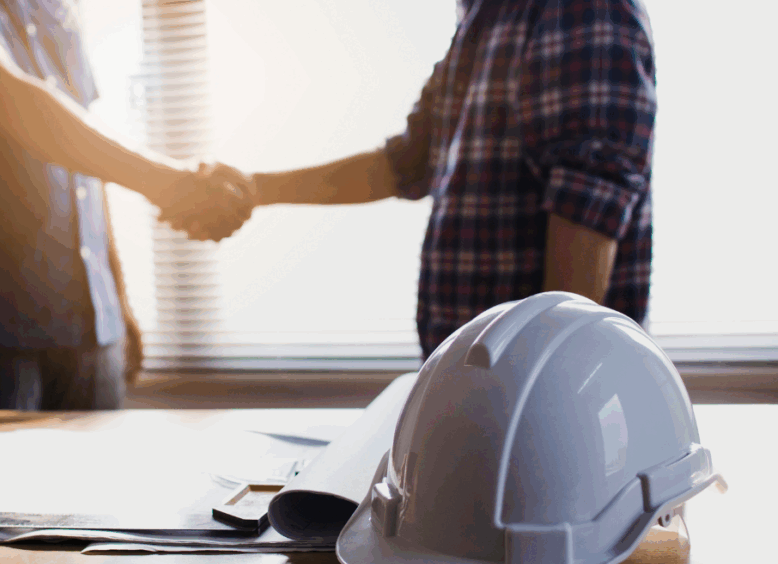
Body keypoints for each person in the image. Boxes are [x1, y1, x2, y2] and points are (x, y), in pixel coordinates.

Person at [0, 0, 253, 410]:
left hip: (88, 330)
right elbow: (9, 98)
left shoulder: (51, 6)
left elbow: (82, 156)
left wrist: (116, 294)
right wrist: (170, 183)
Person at [224, 0, 656, 358]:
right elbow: (407, 163)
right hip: (478, 389)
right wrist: (254, 188)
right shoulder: (483, 20)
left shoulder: (577, 9)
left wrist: (541, 390)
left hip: (532, 401)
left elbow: (587, 205)